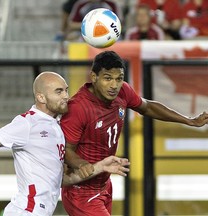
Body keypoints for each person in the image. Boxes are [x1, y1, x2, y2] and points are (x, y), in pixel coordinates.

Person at [0, 71, 130, 216]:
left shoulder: (56, 128)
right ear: (41, 96)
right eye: (58, 91)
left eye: (66, 90)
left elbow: (60, 180)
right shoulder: (27, 123)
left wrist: (100, 166)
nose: (66, 96)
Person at [60, 51, 208, 216]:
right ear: (94, 77)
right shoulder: (78, 108)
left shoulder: (123, 91)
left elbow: (148, 107)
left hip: (104, 185)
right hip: (81, 190)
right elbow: (65, 149)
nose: (114, 85)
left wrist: (189, 120)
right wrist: (82, 164)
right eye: (107, 78)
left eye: (119, 78)